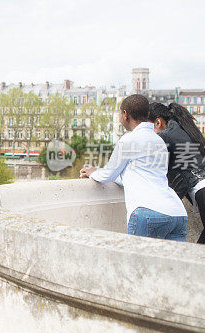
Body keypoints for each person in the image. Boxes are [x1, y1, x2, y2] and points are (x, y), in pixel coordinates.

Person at [80, 94, 187, 241]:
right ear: (147, 114)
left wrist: (93, 172)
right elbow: (140, 176)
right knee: (170, 264)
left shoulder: (128, 140)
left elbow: (108, 175)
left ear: (125, 114)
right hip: (177, 213)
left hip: (148, 211)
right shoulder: (159, 140)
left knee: (137, 263)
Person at [148, 102, 205, 248]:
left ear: (158, 122)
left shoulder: (165, 136)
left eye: (147, 127)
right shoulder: (186, 132)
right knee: (202, 255)